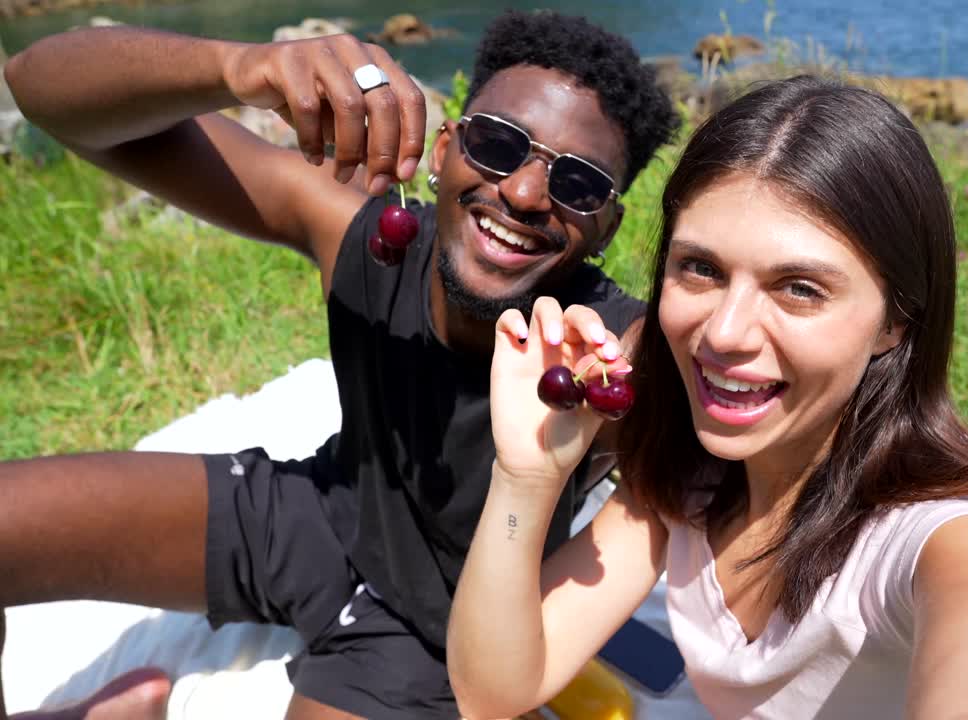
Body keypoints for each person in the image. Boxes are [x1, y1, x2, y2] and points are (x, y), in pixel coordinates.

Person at [0, 9, 676, 719]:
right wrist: (241, 70)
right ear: (445, 147)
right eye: (497, 144)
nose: (525, 193)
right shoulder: (361, 231)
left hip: (437, 630)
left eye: (578, 185)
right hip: (313, 517)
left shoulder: (609, 357)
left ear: (607, 224)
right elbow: (39, 88)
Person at [448, 76, 968, 720]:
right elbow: (494, 689)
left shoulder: (952, 528)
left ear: (896, 320)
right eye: (701, 268)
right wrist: (527, 476)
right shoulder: (693, 479)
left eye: (799, 287)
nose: (724, 331)